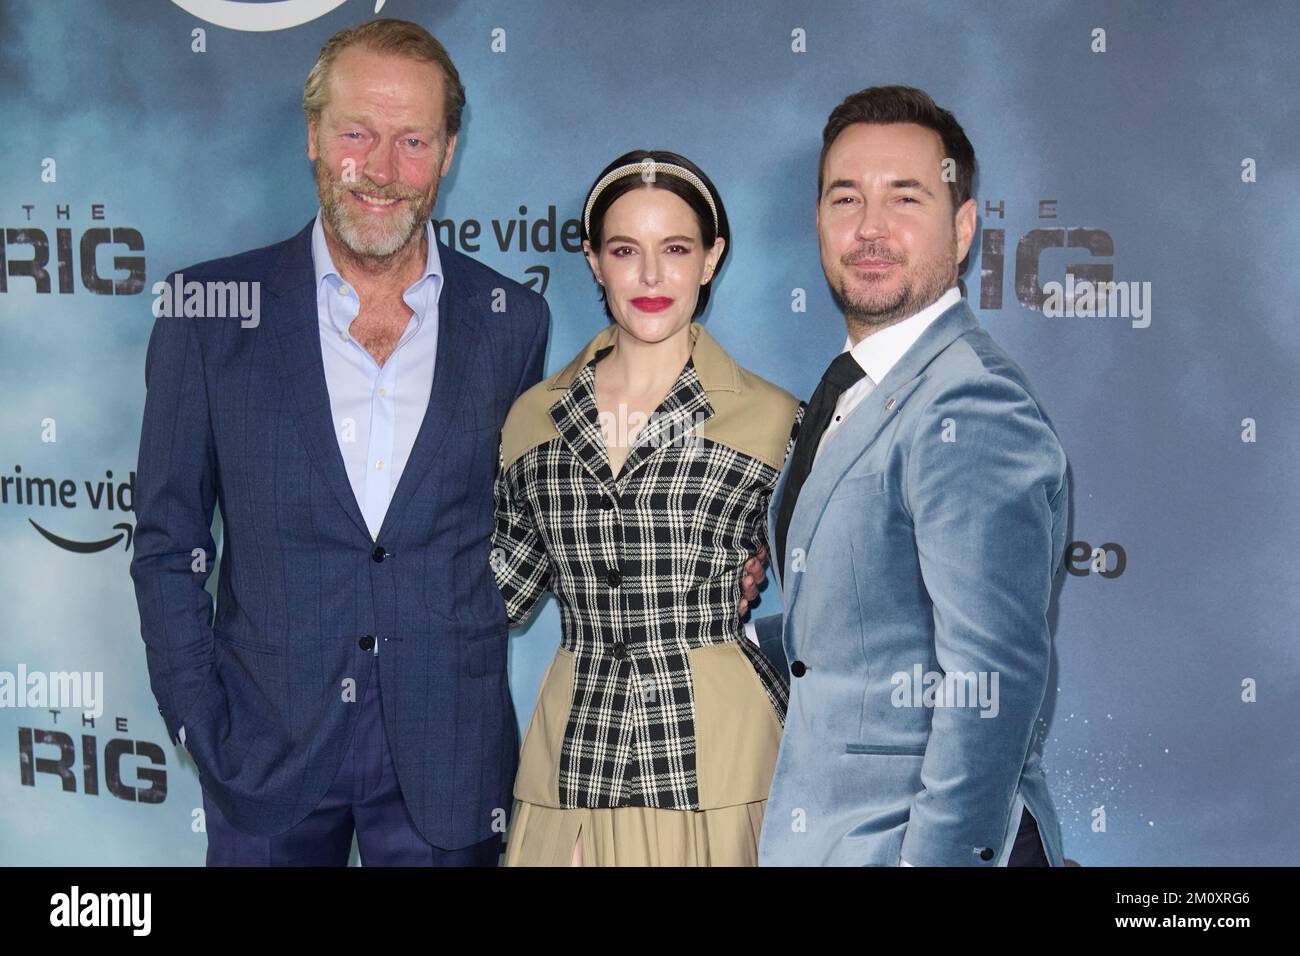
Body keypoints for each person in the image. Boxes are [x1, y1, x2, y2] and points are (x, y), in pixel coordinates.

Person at [129, 19, 554, 866]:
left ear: (449, 150)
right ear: (314, 136)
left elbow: (531, 518)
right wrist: (201, 722)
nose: (384, 170)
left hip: (449, 753)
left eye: (413, 140)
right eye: (358, 133)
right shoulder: (207, 312)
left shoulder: (512, 321)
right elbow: (168, 541)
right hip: (264, 750)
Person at [749, 85, 1070, 866]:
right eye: (845, 198)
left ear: (963, 230)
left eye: (905, 198)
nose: (870, 228)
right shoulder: (852, 388)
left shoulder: (972, 400)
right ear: (819, 222)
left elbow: (989, 687)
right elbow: (864, 636)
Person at [491, 150, 803, 866]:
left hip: (722, 767)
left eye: (677, 249)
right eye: (626, 250)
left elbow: (843, 603)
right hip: (573, 762)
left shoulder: (776, 421)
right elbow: (501, 595)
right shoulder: (534, 419)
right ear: (595, 262)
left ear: (712, 257)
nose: (653, 277)